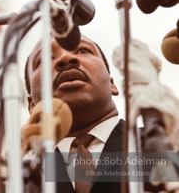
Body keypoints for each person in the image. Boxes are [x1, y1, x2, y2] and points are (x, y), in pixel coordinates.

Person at [22, 33, 179, 193]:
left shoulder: (167, 143)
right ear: (32, 105)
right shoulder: (19, 176)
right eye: (44, 59)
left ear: (112, 85)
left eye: (83, 51)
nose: (65, 58)